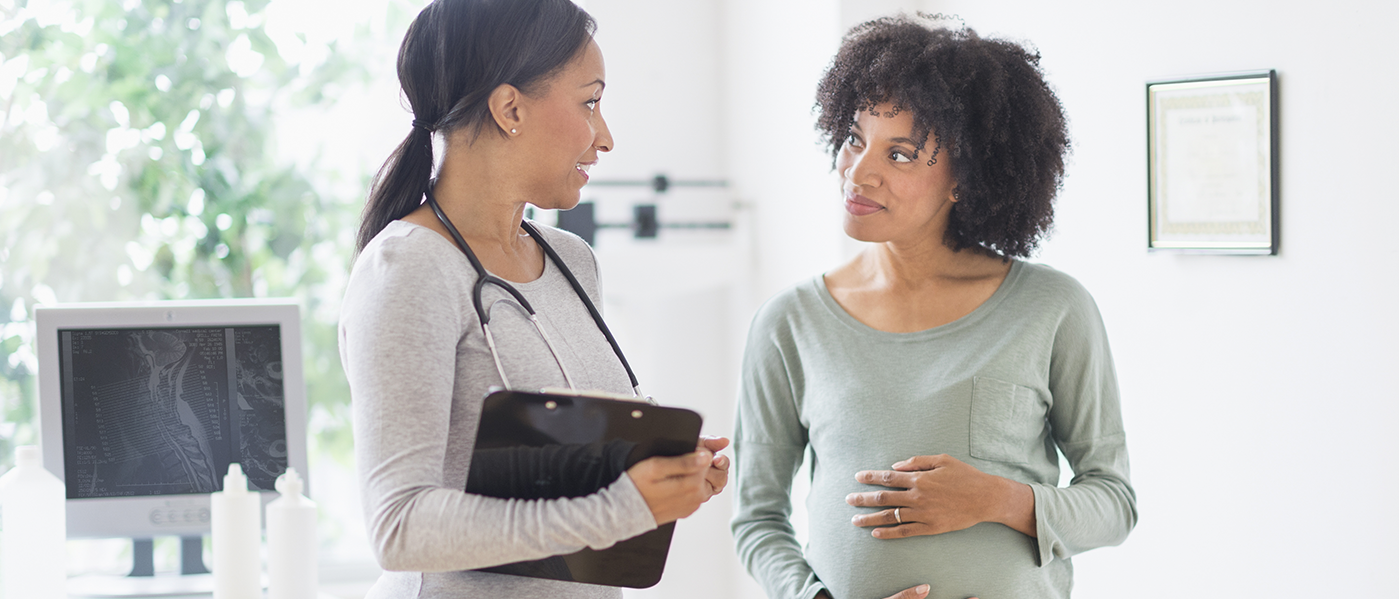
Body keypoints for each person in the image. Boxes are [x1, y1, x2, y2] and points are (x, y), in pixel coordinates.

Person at [730, 15, 1136, 599]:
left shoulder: (1053, 308)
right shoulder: (789, 323)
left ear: (964, 181)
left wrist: (997, 499)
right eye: (854, 138)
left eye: (899, 155)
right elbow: (757, 519)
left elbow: (1114, 502)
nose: (858, 172)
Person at [338, 1, 729, 597]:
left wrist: (660, 467)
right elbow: (399, 525)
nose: (606, 137)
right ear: (510, 108)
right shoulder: (410, 270)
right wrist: (619, 508)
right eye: (590, 102)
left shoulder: (572, 260)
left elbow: (556, 469)